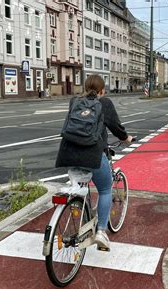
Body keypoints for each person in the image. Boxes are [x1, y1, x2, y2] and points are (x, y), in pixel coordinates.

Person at [55, 74, 133, 250]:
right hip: (92, 156)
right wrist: (126, 138)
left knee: (80, 189)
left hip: (68, 154)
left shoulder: (74, 102)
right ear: (102, 90)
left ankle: (81, 212)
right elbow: (116, 127)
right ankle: (101, 232)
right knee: (105, 189)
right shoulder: (104, 103)